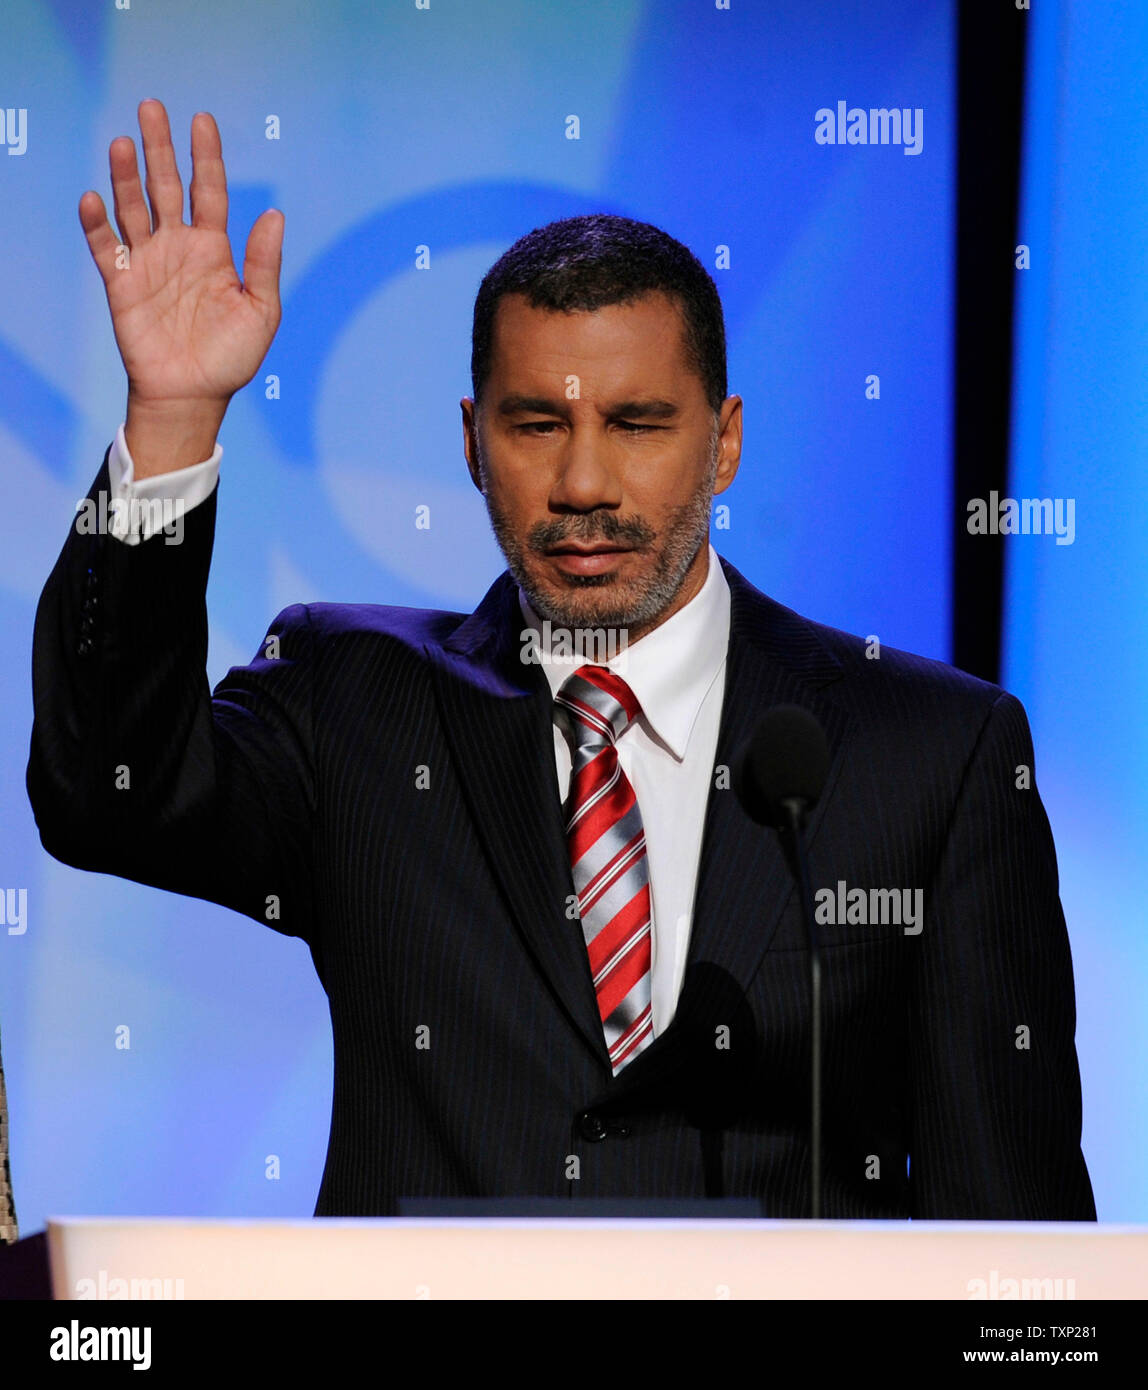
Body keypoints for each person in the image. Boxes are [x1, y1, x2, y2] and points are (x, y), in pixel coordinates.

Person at [27, 100, 1095, 1219]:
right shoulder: (353, 698)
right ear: (470, 440)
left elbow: (1011, 1231)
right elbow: (109, 796)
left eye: (635, 424)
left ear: (723, 440)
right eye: (535, 424)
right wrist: (173, 420)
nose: (582, 485)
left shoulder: (930, 751)